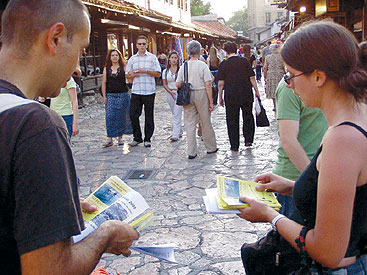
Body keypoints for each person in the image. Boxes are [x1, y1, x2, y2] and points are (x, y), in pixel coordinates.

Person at [0, 0, 139, 273]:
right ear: (55, 38)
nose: (77, 68)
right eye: (80, 50)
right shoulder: (36, 126)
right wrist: (106, 233)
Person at [239, 20, 367, 273]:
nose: (288, 84)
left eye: (291, 75)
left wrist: (270, 216)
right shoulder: (358, 115)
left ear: (318, 76)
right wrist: (291, 186)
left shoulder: (343, 138)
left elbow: (328, 251)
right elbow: (351, 199)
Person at [273, 79, 328, 217]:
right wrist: (313, 181)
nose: (288, 81)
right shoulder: (288, 87)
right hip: (298, 178)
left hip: (320, 179)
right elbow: (288, 140)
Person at [176, 40, 217, 159]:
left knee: (189, 123)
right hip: (201, 93)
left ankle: (191, 151)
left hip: (188, 95)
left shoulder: (184, 66)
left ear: (188, 52)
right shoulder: (202, 65)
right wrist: (211, 101)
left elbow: (178, 83)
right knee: (205, 121)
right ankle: (211, 147)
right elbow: (208, 84)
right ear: (199, 51)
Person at [218, 42, 260, 151]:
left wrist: (220, 97)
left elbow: (221, 83)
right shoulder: (244, 61)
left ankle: (234, 144)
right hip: (245, 93)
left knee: (232, 119)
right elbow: (251, 78)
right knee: (248, 116)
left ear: (226, 51)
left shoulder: (224, 64)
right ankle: (248, 139)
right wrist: (256, 90)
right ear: (236, 49)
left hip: (231, 95)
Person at [126, 35, 161, 148]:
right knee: (133, 114)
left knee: (149, 115)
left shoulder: (152, 58)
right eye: (139, 44)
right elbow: (127, 74)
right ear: (136, 45)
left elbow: (158, 73)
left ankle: (147, 138)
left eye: (143, 44)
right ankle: (137, 137)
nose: (141, 46)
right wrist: (131, 75)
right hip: (136, 90)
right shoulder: (132, 59)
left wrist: (145, 71)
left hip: (149, 90)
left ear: (147, 45)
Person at [101, 49, 131, 147]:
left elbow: (129, 79)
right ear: (109, 57)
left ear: (119, 57)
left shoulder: (124, 67)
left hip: (123, 94)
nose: (114, 57)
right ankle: (109, 138)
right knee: (110, 117)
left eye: (116, 55)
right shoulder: (106, 68)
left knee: (121, 116)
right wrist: (104, 96)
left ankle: (120, 137)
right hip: (110, 95)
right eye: (112, 55)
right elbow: (104, 83)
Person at [162, 51, 183, 142]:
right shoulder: (165, 71)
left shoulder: (181, 70)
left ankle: (175, 134)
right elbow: (164, 84)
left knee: (177, 113)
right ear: (169, 59)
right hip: (170, 93)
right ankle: (179, 130)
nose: (174, 60)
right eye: (172, 58)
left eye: (175, 58)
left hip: (179, 92)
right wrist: (170, 92)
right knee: (174, 112)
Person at [263, 44, 285, 111]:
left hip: (271, 74)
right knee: (280, 89)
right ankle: (280, 104)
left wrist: (265, 76)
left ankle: (275, 106)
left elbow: (265, 67)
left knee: (273, 90)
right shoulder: (282, 57)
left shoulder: (268, 57)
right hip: (280, 74)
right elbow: (285, 67)